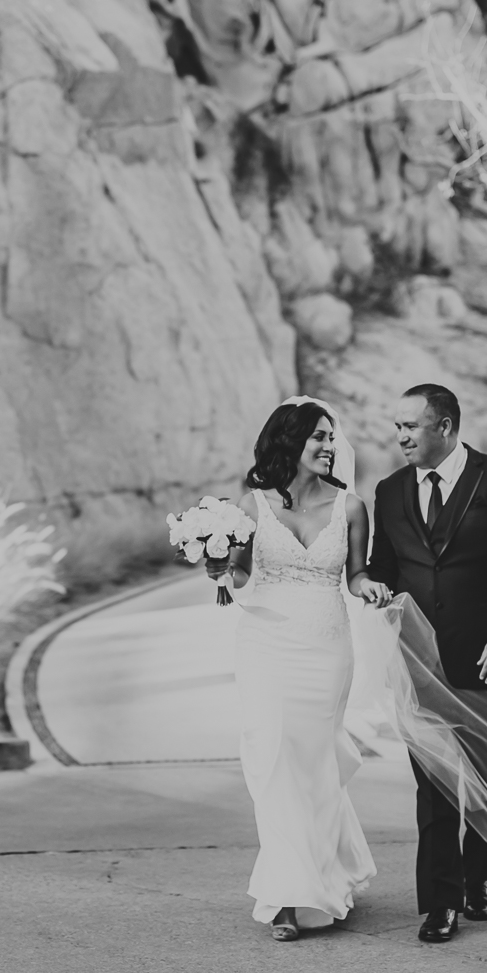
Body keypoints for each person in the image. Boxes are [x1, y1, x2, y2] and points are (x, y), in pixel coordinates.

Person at [365, 383, 487, 944]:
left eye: (411, 426)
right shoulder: (390, 490)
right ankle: (441, 901)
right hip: (419, 662)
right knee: (436, 786)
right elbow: (384, 564)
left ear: (444, 426)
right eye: (397, 426)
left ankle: (477, 877)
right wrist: (372, 586)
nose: (400, 436)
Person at [205, 397, 394, 942]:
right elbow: (238, 576)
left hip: (327, 647)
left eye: (332, 436)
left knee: (314, 764)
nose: (329, 446)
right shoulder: (252, 504)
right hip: (265, 645)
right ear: (290, 441)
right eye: (318, 436)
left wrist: (371, 587)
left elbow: (355, 575)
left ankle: (325, 875)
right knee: (273, 760)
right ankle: (287, 897)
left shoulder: (351, 507)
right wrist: (218, 567)